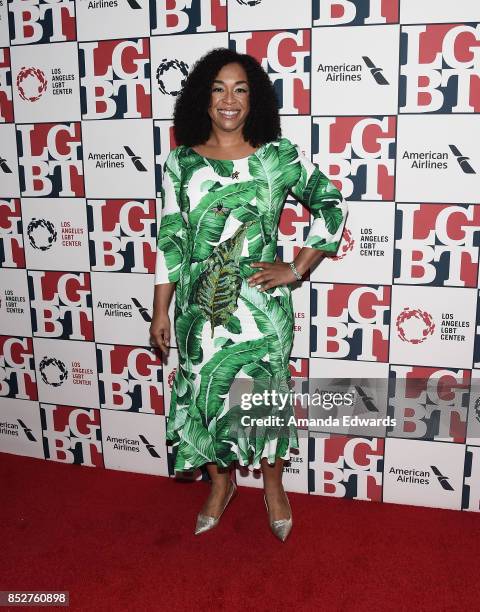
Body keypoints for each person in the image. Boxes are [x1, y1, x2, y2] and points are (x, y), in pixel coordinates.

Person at [150, 47, 348, 542]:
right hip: (200, 308)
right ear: (202, 97)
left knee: (264, 398)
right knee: (206, 399)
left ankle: (274, 486)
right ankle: (221, 487)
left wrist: (298, 267)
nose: (229, 99)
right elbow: (171, 238)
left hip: (261, 309)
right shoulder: (180, 162)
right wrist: (161, 309)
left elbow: (329, 204)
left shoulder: (276, 157)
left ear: (254, 99)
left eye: (241, 89)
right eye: (218, 88)